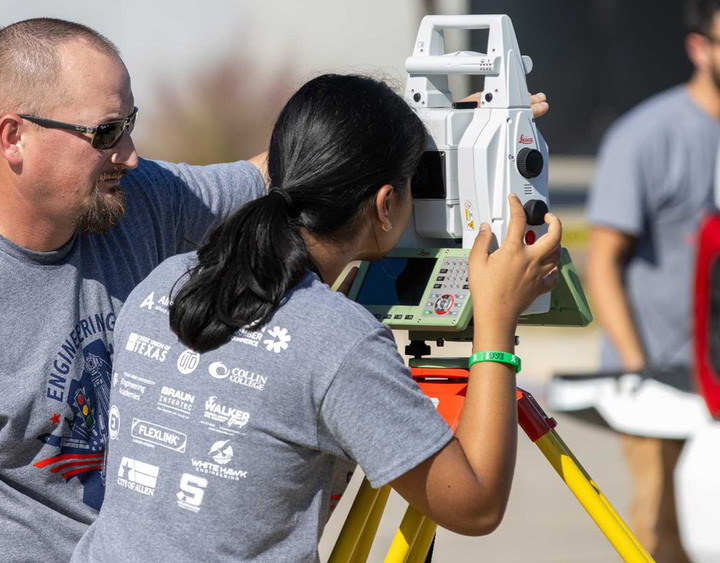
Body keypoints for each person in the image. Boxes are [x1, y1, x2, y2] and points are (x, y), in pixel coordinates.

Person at [0, 19, 268, 562]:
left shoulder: (137, 197)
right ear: (14, 136)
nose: (128, 153)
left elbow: (272, 176)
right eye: (105, 133)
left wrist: (381, 130)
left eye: (130, 124)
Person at [72, 73, 562, 562]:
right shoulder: (338, 341)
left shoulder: (166, 281)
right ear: (385, 205)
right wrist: (496, 321)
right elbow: (475, 505)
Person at [585, 1, 720, 559]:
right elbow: (601, 263)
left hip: (714, 375)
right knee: (661, 533)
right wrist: (639, 367)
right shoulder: (645, 136)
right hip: (659, 381)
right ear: (699, 48)